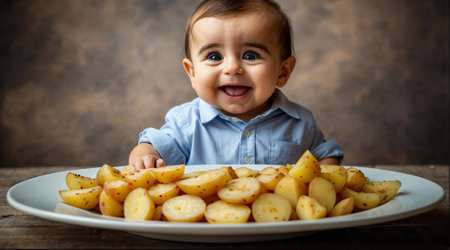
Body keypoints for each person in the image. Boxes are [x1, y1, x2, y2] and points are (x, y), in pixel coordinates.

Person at [129, 0, 344, 169]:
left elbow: (325, 157)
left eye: (250, 55)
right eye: (214, 56)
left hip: (278, 221)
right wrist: (145, 155)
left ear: (283, 71)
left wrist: (327, 176)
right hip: (204, 223)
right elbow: (153, 146)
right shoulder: (186, 123)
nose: (232, 68)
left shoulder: (300, 122)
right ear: (192, 73)